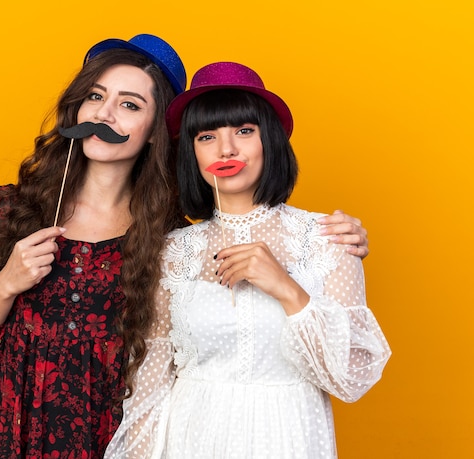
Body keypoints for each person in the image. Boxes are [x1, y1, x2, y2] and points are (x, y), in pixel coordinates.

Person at [0, 33, 369, 457]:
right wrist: (7, 282)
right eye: (95, 96)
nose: (105, 114)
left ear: (154, 133)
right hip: (22, 423)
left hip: (115, 425)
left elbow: (164, 362)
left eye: (130, 105)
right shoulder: (12, 209)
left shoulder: (165, 233)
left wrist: (330, 247)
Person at [104, 62, 391, 459]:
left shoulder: (330, 239)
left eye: (243, 131)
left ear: (269, 140)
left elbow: (351, 375)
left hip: (289, 437)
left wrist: (286, 289)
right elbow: (150, 382)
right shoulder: (172, 252)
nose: (226, 149)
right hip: (191, 439)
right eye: (207, 136)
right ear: (191, 152)